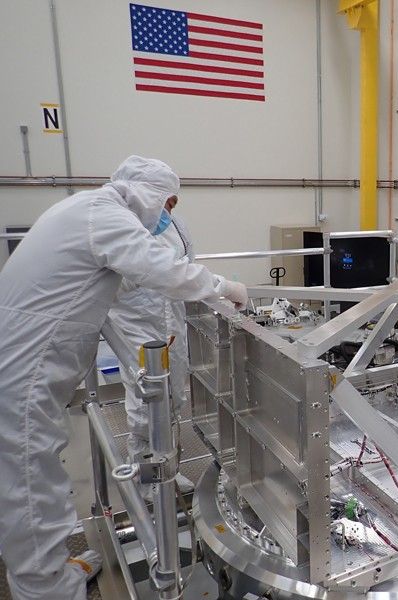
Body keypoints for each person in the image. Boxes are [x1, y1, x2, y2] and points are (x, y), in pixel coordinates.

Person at [0, 156, 247, 600]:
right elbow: (160, 269)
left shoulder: (89, 209)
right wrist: (222, 287)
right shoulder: (104, 215)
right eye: (167, 202)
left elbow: (138, 275)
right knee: (30, 482)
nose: (168, 213)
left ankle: (52, 572)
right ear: (148, 193)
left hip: (32, 361)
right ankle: (45, 589)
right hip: (24, 368)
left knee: (36, 469)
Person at [105, 193, 196, 498]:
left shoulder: (177, 227)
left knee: (174, 397)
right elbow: (114, 282)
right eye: (165, 202)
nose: (169, 210)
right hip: (137, 323)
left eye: (173, 203)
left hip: (173, 324)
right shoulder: (120, 229)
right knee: (146, 402)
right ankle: (145, 478)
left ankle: (169, 469)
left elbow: (187, 270)